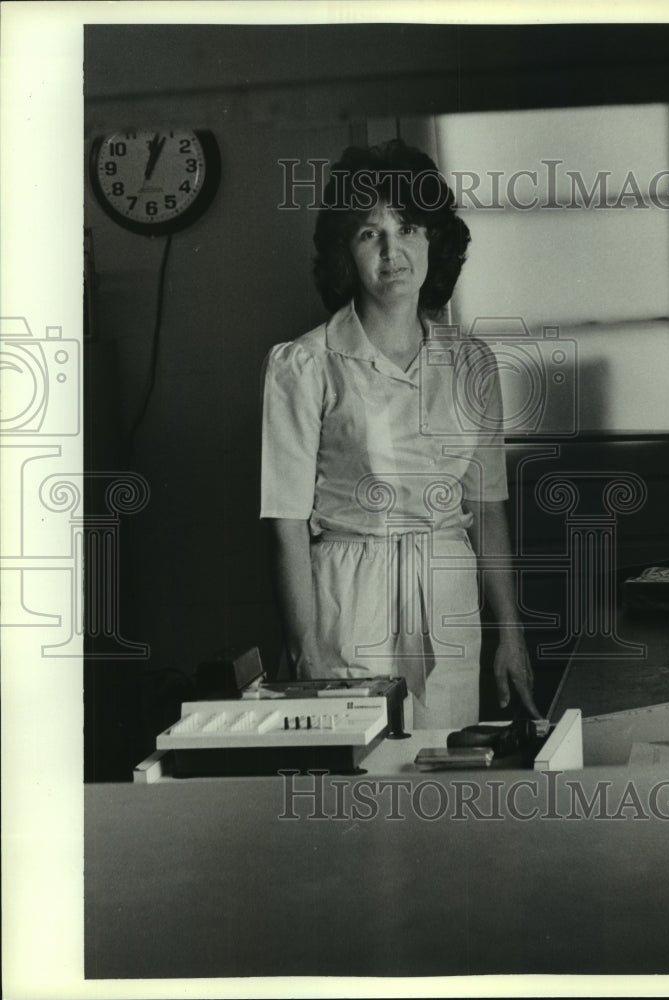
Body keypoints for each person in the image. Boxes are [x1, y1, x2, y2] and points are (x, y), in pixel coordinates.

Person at [260, 139, 540, 728]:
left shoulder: (472, 364)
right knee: (362, 790)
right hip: (347, 602)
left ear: (433, 240)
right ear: (346, 249)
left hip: (449, 601)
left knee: (443, 780)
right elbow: (285, 527)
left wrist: (509, 637)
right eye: (370, 233)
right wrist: (307, 653)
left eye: (408, 228)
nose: (392, 251)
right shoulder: (303, 365)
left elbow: (487, 510)